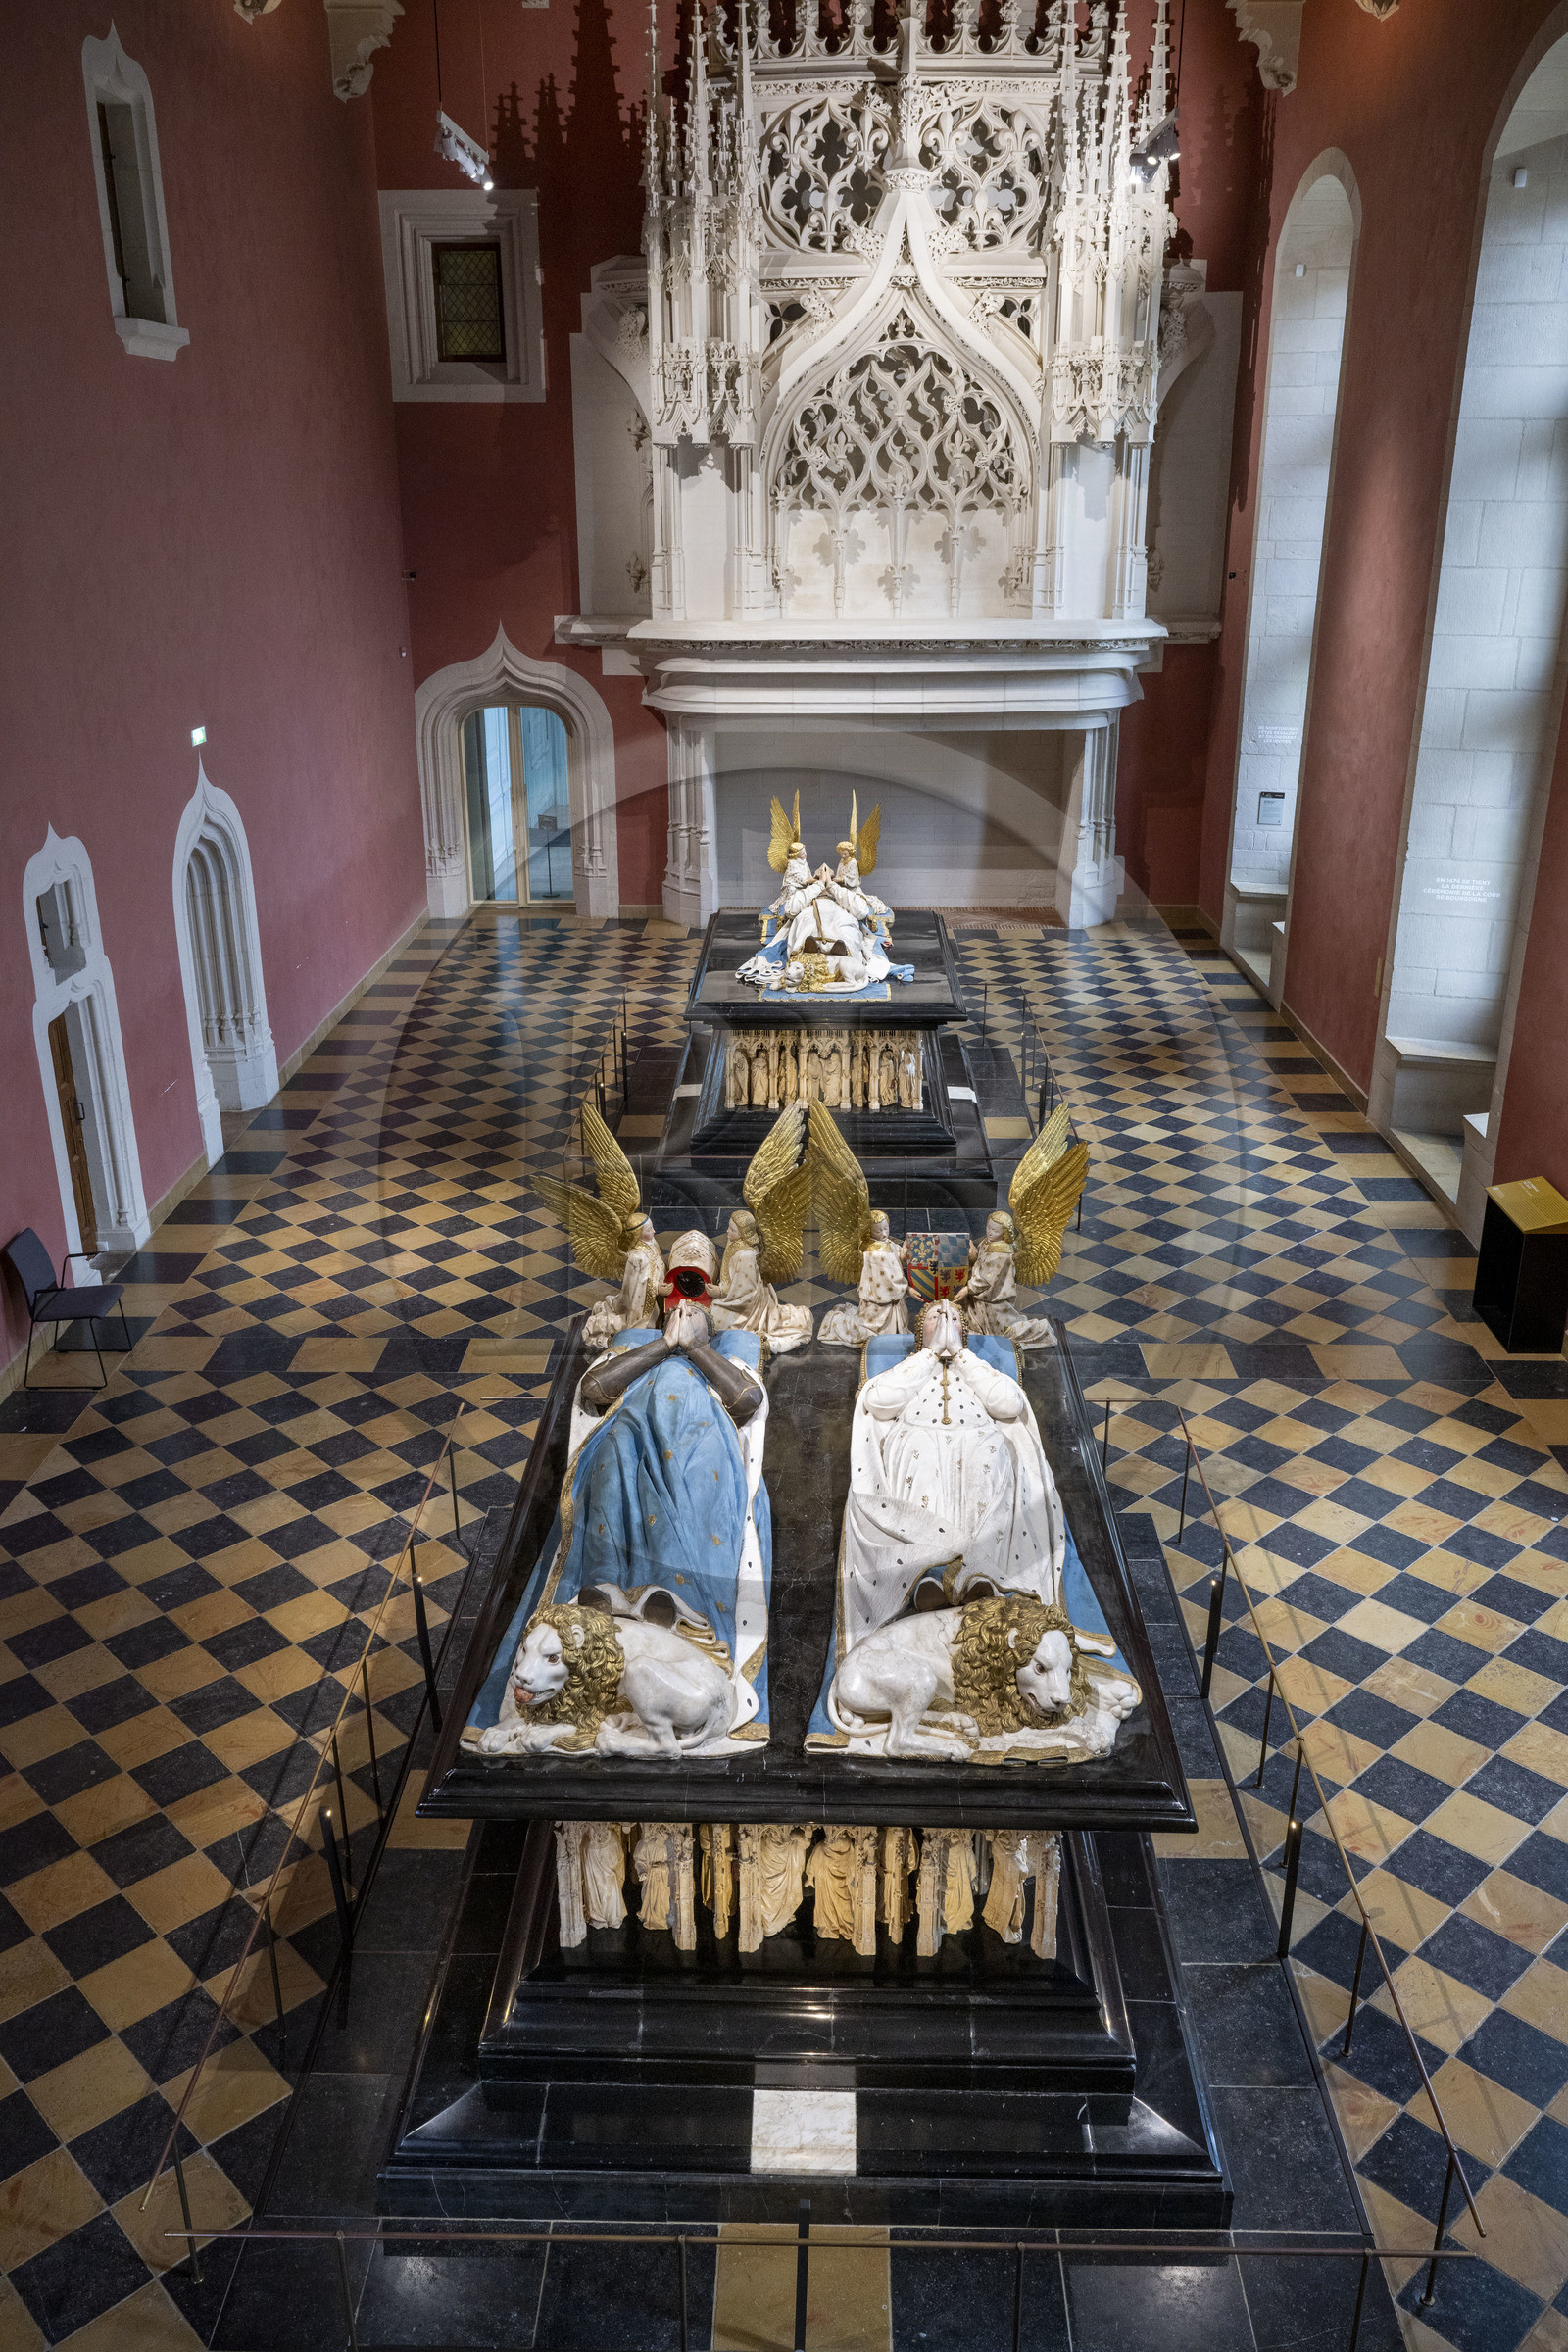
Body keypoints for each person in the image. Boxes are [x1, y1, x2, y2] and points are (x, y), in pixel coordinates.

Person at [816, 1210, 910, 1347]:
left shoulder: (887, 1243)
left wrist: (902, 1256)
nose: (884, 1234)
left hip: (891, 1298)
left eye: (886, 1228)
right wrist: (908, 1289)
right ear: (869, 1232)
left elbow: (895, 1263)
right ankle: (834, 1322)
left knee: (892, 1337)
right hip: (880, 1302)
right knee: (877, 1336)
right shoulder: (873, 1253)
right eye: (878, 1231)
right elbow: (889, 1281)